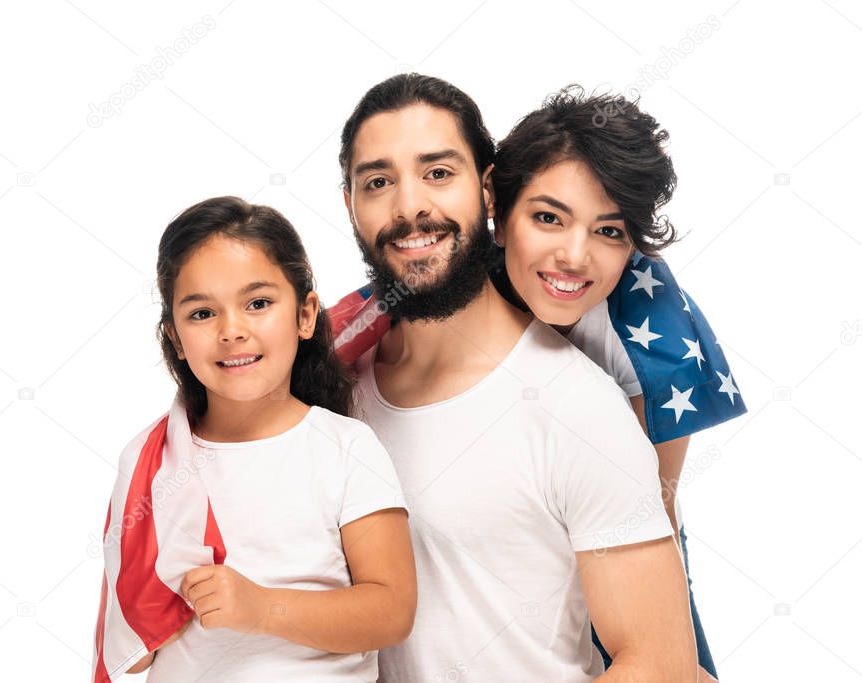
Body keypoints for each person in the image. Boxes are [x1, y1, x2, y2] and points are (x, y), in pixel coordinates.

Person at [335, 73, 697, 681]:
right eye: (378, 181)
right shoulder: (329, 388)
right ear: (351, 205)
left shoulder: (579, 409)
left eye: (438, 173)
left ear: (486, 193)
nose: (409, 207)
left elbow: (659, 665)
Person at [92, 196, 416, 682]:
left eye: (258, 303)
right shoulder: (151, 464)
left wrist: (263, 609)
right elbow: (133, 644)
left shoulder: (346, 449)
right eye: (202, 313)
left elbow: (390, 611)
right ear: (176, 339)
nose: (232, 330)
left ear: (306, 315)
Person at [490, 87, 746, 681]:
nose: (574, 256)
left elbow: (648, 512)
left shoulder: (650, 330)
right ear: (498, 214)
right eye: (548, 218)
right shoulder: (452, 288)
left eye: (609, 232)